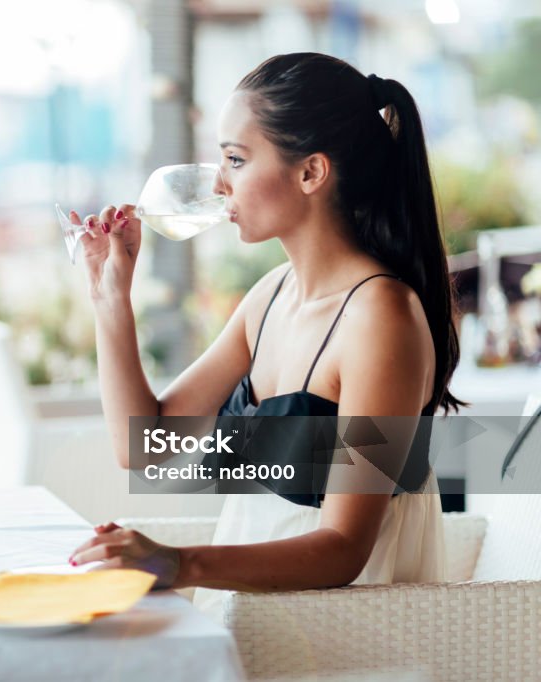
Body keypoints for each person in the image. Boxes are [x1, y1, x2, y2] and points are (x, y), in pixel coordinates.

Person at [66, 53, 463, 600]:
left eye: (235, 159)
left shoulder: (380, 320)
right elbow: (143, 446)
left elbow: (345, 547)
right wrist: (110, 296)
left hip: (351, 632)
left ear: (310, 172)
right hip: (258, 612)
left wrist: (176, 563)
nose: (220, 184)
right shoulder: (270, 297)